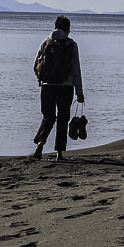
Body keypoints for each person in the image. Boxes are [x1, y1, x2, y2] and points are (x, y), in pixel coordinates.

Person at [31, 15, 85, 161]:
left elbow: (35, 65)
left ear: (55, 26)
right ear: (68, 29)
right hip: (65, 87)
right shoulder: (71, 44)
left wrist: (41, 80)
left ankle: (40, 143)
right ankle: (59, 153)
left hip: (47, 86)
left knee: (48, 117)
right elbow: (76, 69)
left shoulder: (46, 42)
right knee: (62, 119)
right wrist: (80, 92)